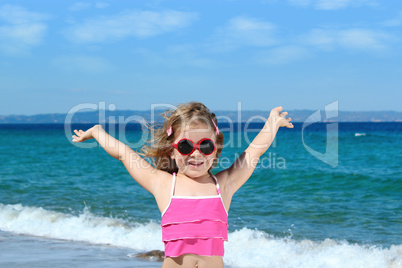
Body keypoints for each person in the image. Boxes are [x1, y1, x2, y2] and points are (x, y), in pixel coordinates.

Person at [72, 102, 293, 268]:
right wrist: (97, 132)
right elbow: (124, 154)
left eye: (205, 146)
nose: (196, 153)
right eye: (186, 146)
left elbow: (254, 151)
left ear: (215, 148)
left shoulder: (223, 185)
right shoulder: (164, 184)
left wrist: (272, 123)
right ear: (172, 150)